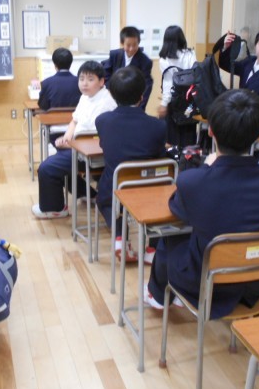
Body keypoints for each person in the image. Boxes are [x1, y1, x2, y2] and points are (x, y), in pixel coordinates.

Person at [146, 89, 259, 316]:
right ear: (257, 134)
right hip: (258, 282)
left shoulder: (193, 181)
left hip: (205, 285)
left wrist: (207, 168)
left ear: (211, 131)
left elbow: (178, 210)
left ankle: (157, 295)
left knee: (171, 234)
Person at [96, 66, 166, 262]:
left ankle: (120, 237)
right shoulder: (158, 125)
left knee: (103, 199)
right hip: (150, 189)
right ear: (142, 96)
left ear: (112, 94)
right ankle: (152, 250)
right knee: (159, 199)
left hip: (116, 188)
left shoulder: (102, 121)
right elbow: (160, 155)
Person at [32, 61, 117, 219]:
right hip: (78, 147)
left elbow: (96, 138)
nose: (84, 83)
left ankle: (55, 209)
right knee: (56, 159)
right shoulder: (86, 96)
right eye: (81, 79)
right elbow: (74, 120)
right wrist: (67, 138)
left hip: (92, 154)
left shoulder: (105, 103)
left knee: (47, 168)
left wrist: (71, 144)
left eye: (90, 79)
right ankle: (89, 194)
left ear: (101, 82)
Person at [218, 28, 259, 131]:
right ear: (255, 44)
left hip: (258, 129)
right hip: (242, 123)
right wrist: (226, 47)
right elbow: (226, 65)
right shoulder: (249, 62)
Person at [157, 25, 197, 148]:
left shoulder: (164, 59)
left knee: (171, 139)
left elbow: (168, 84)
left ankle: (173, 158)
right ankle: (189, 157)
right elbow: (195, 75)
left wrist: (164, 103)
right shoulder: (190, 54)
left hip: (173, 102)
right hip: (189, 100)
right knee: (188, 135)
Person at [102, 26, 154, 110]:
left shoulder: (145, 61)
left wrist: (139, 107)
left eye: (134, 45)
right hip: (113, 98)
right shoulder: (115, 55)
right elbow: (106, 74)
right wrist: (109, 90)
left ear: (138, 43)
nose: (131, 48)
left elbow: (147, 86)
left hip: (133, 100)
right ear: (122, 43)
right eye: (128, 45)